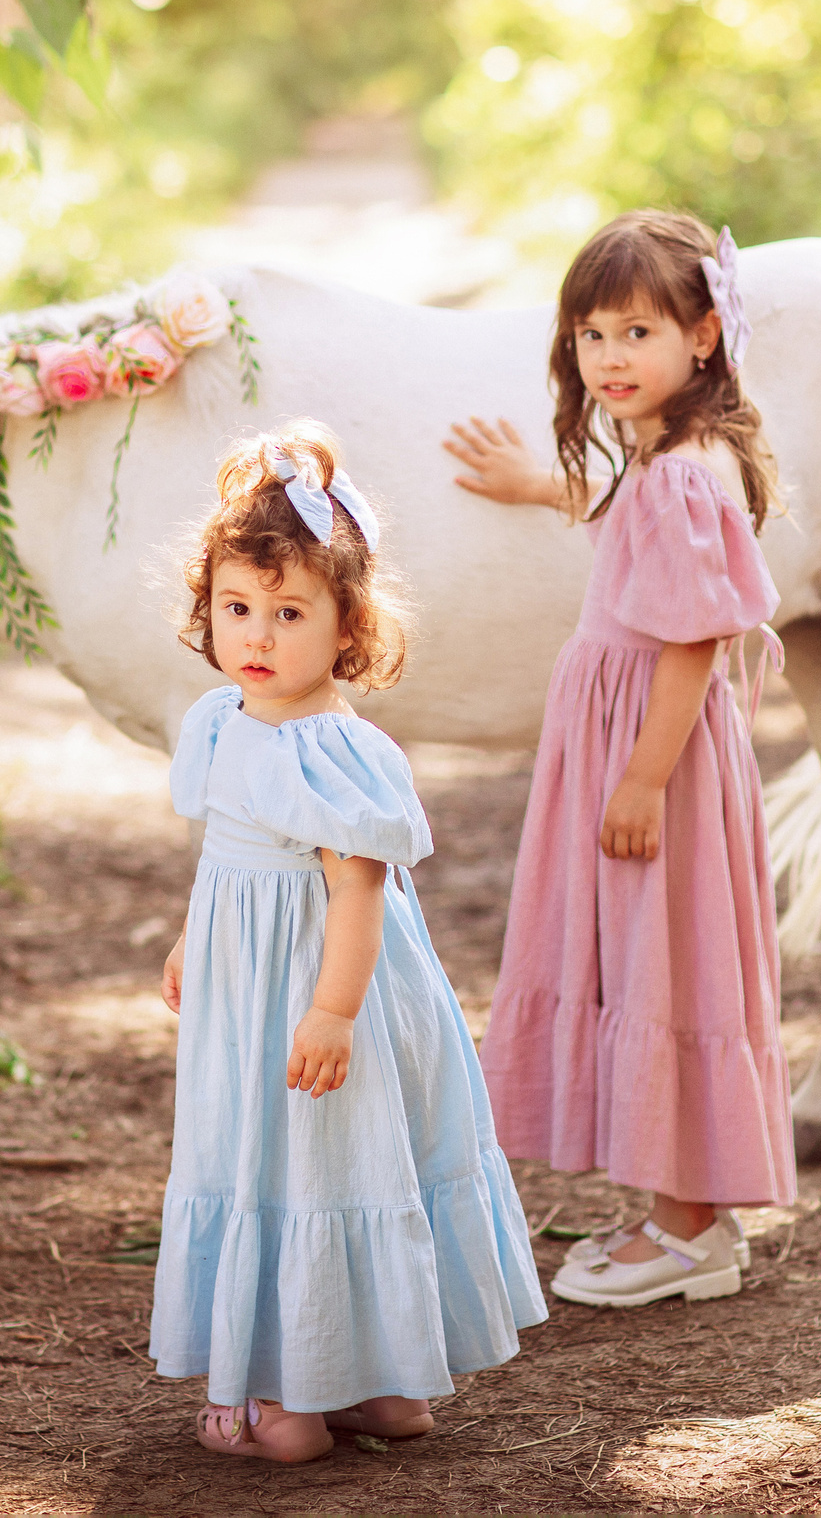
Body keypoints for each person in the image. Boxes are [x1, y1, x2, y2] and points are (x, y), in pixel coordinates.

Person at [152, 421, 548, 1463]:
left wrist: (331, 1009)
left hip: (326, 984)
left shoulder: (336, 750)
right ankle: (381, 1384)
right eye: (238, 608)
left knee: (318, 1159)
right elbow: (223, 856)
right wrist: (195, 939)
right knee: (291, 1154)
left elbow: (357, 894)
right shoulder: (220, 721)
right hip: (249, 982)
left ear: (346, 627)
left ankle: (290, 1398)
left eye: (290, 613)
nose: (259, 635)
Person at [445, 210, 795, 1308]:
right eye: (591, 334)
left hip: (657, 743)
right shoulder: (666, 463)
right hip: (636, 731)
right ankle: (689, 1209)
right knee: (655, 950)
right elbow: (637, 530)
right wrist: (546, 487)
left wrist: (641, 777)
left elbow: (692, 637)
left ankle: (687, 1232)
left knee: (661, 950)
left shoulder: (688, 473)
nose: (609, 357)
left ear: (702, 337)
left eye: (637, 331)